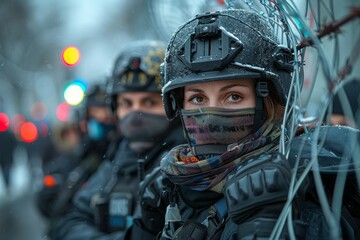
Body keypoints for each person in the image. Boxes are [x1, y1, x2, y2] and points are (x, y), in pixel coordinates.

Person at [128, 9, 360, 240]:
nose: (209, 116)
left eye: (233, 97)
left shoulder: (297, 191)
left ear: (267, 101)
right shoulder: (181, 186)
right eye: (197, 99)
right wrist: (147, 227)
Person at [52, 40, 186, 240]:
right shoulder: (118, 158)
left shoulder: (187, 162)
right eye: (126, 103)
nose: (135, 113)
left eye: (149, 102)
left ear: (172, 104)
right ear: (116, 109)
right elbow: (71, 221)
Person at [36, 80, 117, 237]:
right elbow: (58, 214)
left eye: (106, 112)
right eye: (95, 112)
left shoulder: (125, 150)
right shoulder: (83, 154)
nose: (102, 118)